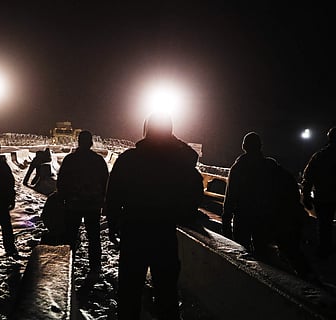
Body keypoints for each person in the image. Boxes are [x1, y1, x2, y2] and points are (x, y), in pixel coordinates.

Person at [104, 113, 203, 320]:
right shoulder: (175, 162)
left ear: (145, 131)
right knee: (166, 294)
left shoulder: (129, 158)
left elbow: (113, 195)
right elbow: (192, 158)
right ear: (169, 133)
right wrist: (171, 139)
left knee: (129, 292)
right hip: (164, 235)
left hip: (134, 234)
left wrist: (112, 225)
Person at [222, 132, 312, 276]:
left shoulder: (238, 168)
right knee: (262, 250)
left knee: (241, 251)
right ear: (260, 146)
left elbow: (230, 195)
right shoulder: (271, 166)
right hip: (265, 215)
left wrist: (226, 218)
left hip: (243, 216)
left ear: (244, 146)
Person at [57, 130, 109, 276]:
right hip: (93, 205)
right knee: (94, 236)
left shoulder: (70, 160)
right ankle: (95, 266)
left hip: (73, 204)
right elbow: (106, 182)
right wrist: (104, 201)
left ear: (78, 142)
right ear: (91, 142)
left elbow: (61, 181)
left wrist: (62, 198)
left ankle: (68, 264)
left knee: (70, 236)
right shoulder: (98, 160)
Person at [301, 127, 336, 258]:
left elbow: (308, 177)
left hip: (323, 197)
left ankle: (324, 251)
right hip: (326, 196)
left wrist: (306, 195)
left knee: (324, 226)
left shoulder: (320, 156)